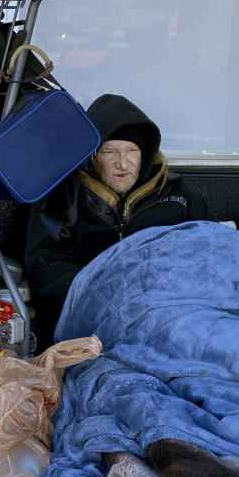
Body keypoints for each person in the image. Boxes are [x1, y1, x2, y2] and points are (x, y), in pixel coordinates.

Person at [23, 94, 209, 347]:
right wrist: (111, 297)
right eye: (109, 151)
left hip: (167, 328)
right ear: (91, 155)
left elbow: (211, 261)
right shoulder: (60, 197)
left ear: (143, 156)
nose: (123, 163)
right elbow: (46, 268)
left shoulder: (180, 198)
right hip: (87, 332)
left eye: (132, 150)